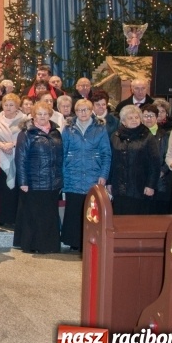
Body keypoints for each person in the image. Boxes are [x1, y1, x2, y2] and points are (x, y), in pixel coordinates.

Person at [60, 99, 111, 250]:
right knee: (74, 209)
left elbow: (106, 154)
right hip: (72, 174)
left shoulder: (100, 129)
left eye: (86, 110)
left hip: (93, 174)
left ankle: (90, 241)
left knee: (91, 210)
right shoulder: (68, 129)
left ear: (91, 111)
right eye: (80, 110)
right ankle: (74, 242)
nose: (83, 113)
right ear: (75, 112)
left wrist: (104, 174)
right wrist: (63, 175)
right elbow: (62, 153)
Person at [14, 101, 64, 253]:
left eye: (45, 114)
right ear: (33, 115)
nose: (42, 117)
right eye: (39, 114)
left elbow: (61, 157)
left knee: (49, 216)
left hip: (52, 182)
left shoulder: (56, 132)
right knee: (33, 216)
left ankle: (49, 246)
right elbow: (20, 158)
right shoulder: (26, 133)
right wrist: (23, 181)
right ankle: (33, 245)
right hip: (33, 182)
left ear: (50, 115)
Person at [108, 105, 160, 215]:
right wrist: (109, 182)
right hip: (119, 187)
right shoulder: (115, 136)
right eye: (130, 118)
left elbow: (155, 163)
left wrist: (151, 185)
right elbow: (111, 161)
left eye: (136, 117)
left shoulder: (147, 137)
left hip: (140, 187)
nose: (134, 120)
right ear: (123, 121)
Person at [0, 93, 26, 227]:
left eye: (12, 105)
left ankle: (16, 219)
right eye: (6, 105)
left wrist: (13, 144)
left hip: (19, 158)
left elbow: (27, 137)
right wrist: (2, 145)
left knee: (17, 189)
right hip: (0, 156)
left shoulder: (25, 120)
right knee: (2, 189)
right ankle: (3, 218)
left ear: (17, 106)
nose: (8, 107)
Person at [141, 103, 172, 214]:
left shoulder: (165, 135)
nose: (148, 119)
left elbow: (170, 155)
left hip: (161, 182)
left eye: (152, 116)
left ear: (156, 117)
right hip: (141, 181)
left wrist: (162, 171)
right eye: (145, 116)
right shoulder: (137, 135)